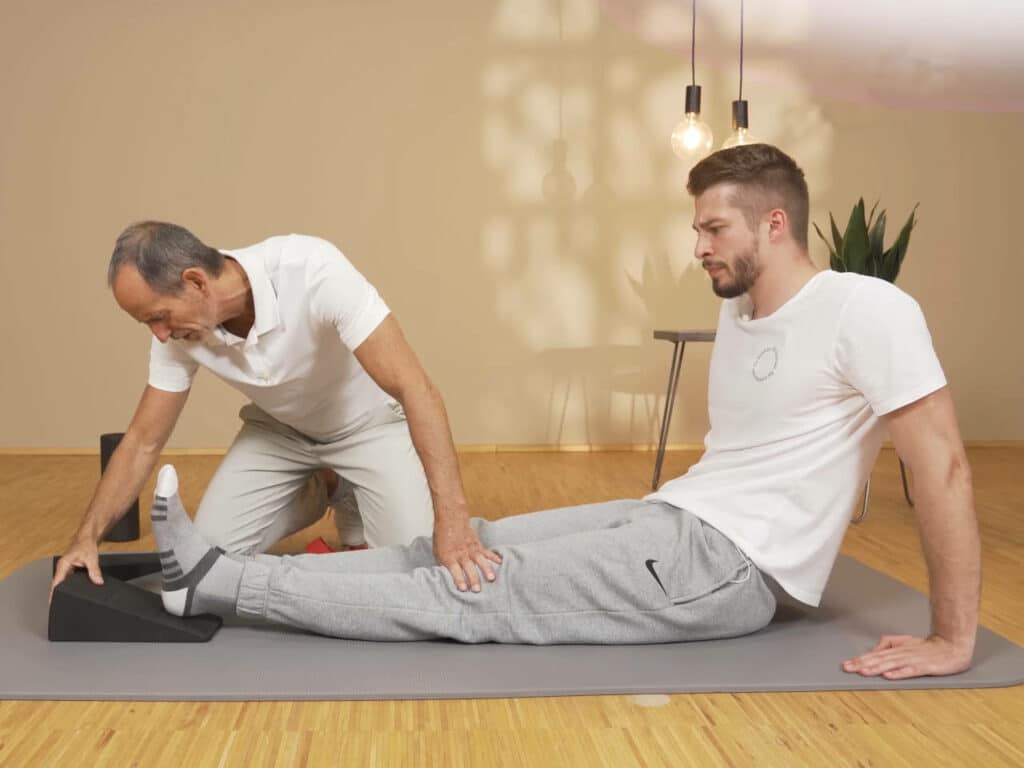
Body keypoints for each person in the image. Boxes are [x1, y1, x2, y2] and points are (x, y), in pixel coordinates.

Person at [150, 144, 981, 680]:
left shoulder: (866, 309)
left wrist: (952, 637)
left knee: (471, 597)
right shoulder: (741, 310)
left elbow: (940, 464)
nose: (698, 246)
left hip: (717, 567)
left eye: (714, 227)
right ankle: (221, 576)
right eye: (697, 228)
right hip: (674, 521)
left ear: (775, 221)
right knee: (467, 548)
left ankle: (222, 583)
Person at [51, 224, 501, 597]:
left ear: (195, 282)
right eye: (149, 323)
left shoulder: (312, 270)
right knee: (207, 564)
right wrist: (85, 537)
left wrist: (455, 521)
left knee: (412, 575)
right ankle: (326, 486)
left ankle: (350, 482)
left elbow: (416, 389)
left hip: (368, 427)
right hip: (279, 434)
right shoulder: (180, 333)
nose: (160, 334)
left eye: (159, 316)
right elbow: (142, 440)